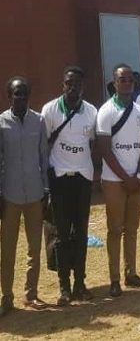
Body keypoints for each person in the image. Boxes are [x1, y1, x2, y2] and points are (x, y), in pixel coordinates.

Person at [41, 67, 97, 305]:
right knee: (62, 234)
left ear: (83, 86)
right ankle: (64, 286)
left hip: (83, 178)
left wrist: (82, 164)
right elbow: (44, 144)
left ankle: (80, 283)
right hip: (60, 179)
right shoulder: (50, 110)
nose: (73, 88)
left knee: (81, 233)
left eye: (77, 84)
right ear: (62, 84)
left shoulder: (91, 112)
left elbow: (92, 143)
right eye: (68, 83)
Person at [96, 64, 140, 297]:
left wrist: (136, 175)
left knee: (132, 229)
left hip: (136, 179)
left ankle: (131, 273)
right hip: (113, 181)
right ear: (114, 83)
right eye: (122, 79)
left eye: (130, 79)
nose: (127, 83)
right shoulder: (106, 111)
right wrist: (125, 178)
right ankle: (114, 279)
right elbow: (105, 150)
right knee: (114, 230)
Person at [0, 76, 50, 315]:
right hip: (9, 195)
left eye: (24, 93)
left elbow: (44, 157)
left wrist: (46, 189)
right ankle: (6, 298)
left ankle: (31, 294)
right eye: (16, 93)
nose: (20, 97)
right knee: (7, 249)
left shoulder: (38, 121)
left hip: (34, 193)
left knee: (34, 248)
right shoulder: (1, 123)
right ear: (9, 96)